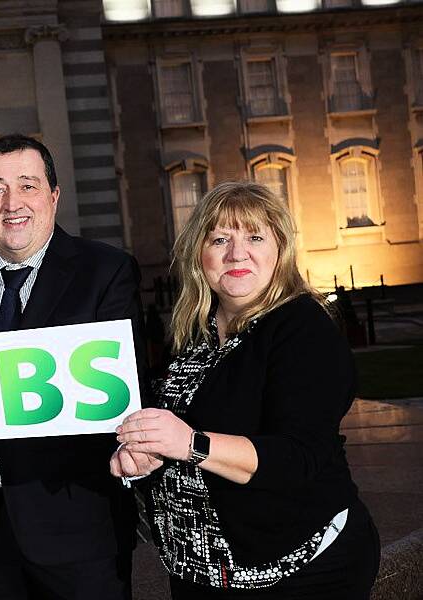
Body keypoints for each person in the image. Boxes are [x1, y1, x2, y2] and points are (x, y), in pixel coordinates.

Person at [111, 181, 380, 599]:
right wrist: (146, 460)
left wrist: (190, 444)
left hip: (296, 569)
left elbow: (299, 456)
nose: (237, 253)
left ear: (279, 250)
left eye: (254, 237)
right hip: (199, 570)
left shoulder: (303, 329)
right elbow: (186, 436)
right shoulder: (193, 333)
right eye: (220, 239)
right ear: (199, 254)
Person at [0, 134, 141, 600]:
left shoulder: (106, 272)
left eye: (27, 185)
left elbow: (128, 390)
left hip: (79, 524)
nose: (11, 203)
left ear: (54, 195)